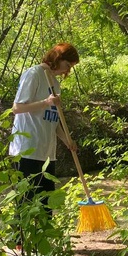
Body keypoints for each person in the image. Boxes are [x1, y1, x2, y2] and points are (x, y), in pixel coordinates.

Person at [9, 43, 79, 229]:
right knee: (26, 200)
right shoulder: (34, 74)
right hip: (27, 148)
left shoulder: (55, 83)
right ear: (58, 58)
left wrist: (67, 140)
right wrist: (46, 102)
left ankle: (44, 242)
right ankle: (21, 243)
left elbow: (53, 121)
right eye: (68, 64)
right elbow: (17, 108)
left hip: (47, 152)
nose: (68, 69)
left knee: (46, 201)